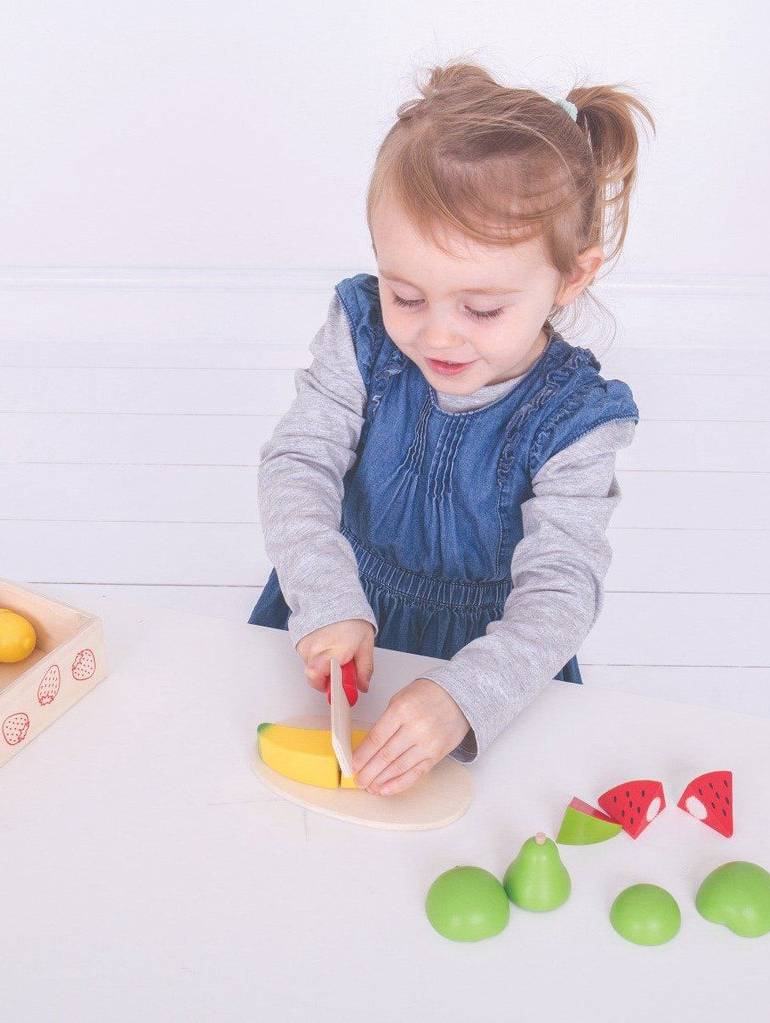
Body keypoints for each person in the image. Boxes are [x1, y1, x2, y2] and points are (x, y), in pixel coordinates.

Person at [248, 61, 656, 795]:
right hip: (340, 615)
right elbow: (297, 462)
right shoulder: (363, 331)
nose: (439, 336)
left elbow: (562, 591)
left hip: (489, 665)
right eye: (406, 294)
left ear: (571, 277)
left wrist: (463, 698)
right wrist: (324, 594)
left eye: (482, 309)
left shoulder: (576, 420)